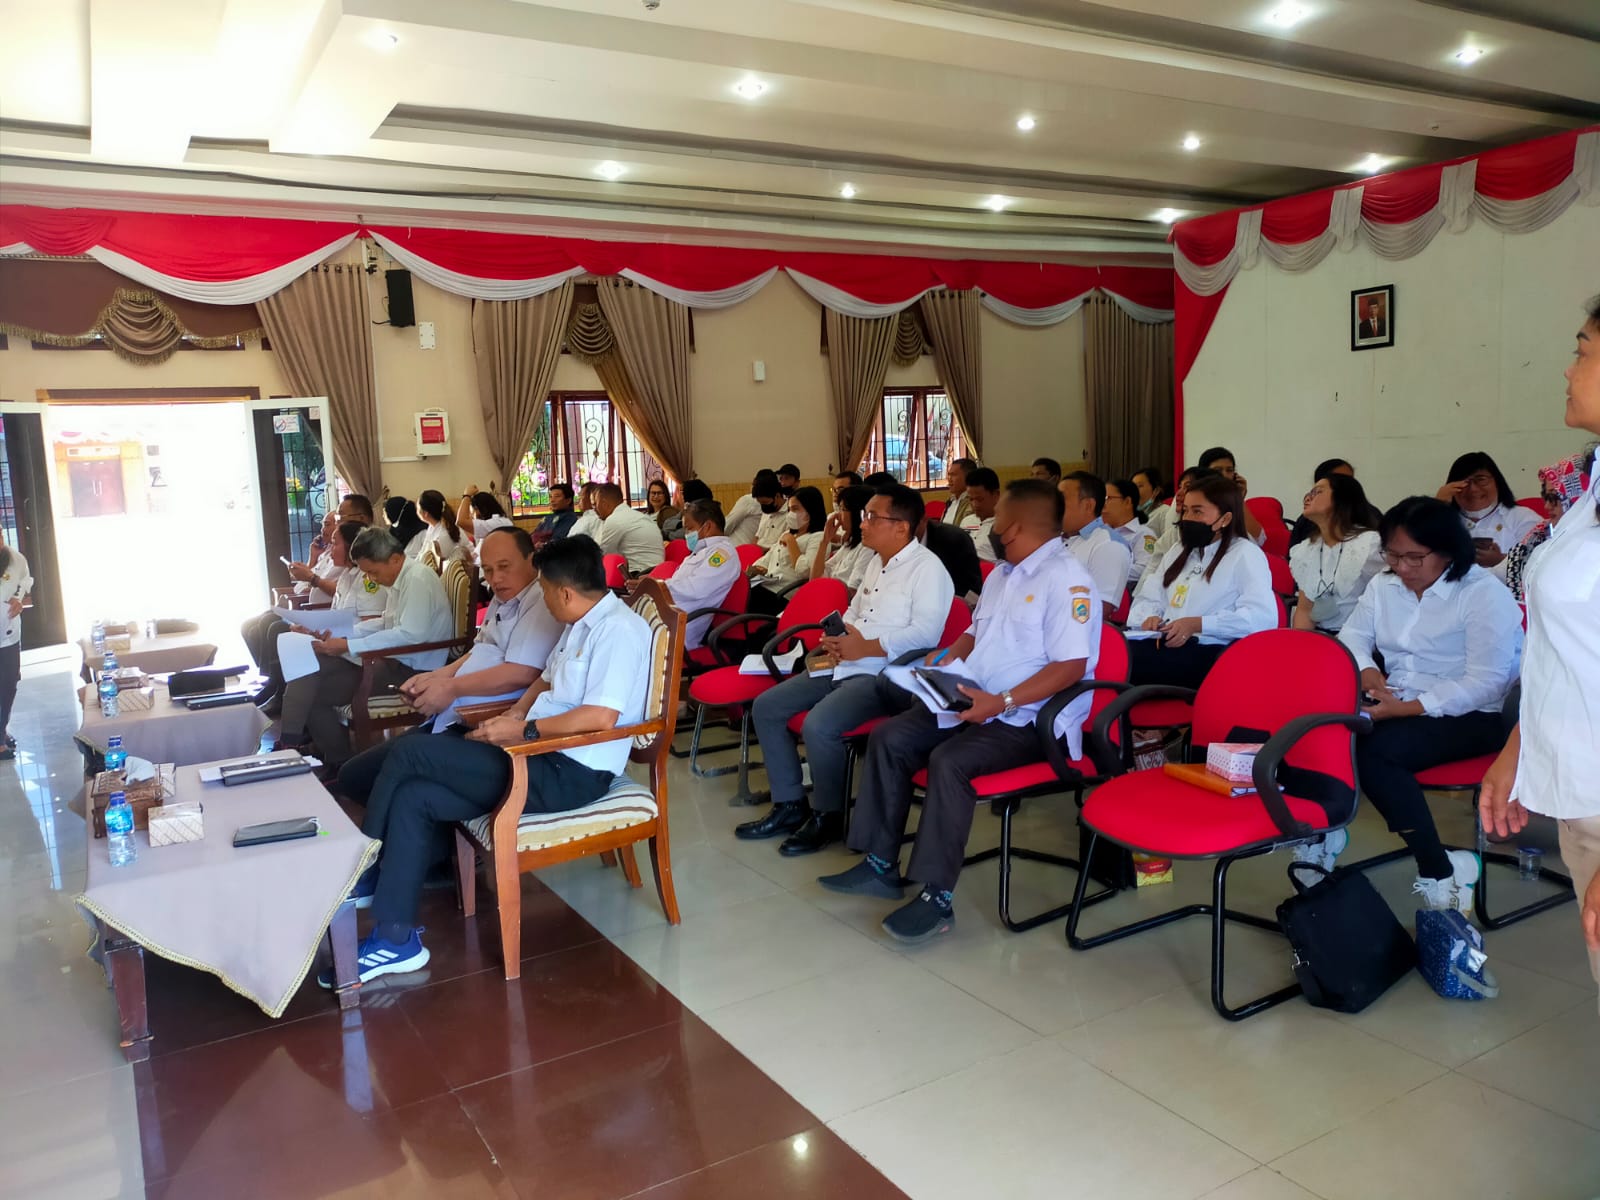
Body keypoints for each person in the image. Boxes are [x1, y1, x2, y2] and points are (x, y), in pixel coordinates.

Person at [324, 536, 652, 984]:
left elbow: (600, 715)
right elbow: (544, 682)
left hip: (569, 772)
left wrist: (523, 730)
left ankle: (361, 869)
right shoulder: (581, 622)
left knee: (411, 751)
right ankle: (396, 937)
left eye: (545, 590)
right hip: (530, 753)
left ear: (564, 592)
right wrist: (515, 714)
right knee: (417, 795)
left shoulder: (620, 632)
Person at [818, 480, 1101, 942]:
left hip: (1027, 718)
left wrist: (1003, 701)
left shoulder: (1068, 581)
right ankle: (879, 864)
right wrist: (947, 656)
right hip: (973, 699)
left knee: (949, 763)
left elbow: (1072, 667)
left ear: (1019, 525)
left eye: (1000, 522)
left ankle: (937, 897)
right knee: (890, 736)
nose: (990, 530)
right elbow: (974, 631)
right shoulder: (1004, 574)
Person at [1481, 299, 1600, 1008]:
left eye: (1583, 350)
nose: (1567, 366)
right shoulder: (1593, 489)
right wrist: (1519, 747)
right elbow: (1574, 652)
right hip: (1583, 790)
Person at [738, 485, 954, 855]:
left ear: (902, 527)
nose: (861, 523)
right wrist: (839, 636)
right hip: (846, 660)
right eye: (864, 515)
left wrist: (865, 646)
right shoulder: (876, 561)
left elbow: (926, 634)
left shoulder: (928, 570)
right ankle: (790, 804)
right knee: (767, 707)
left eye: (872, 516)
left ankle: (829, 815)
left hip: (885, 674)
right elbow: (856, 610)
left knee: (819, 725)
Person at [1334, 496, 1523, 909]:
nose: (1402, 568)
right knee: (1322, 728)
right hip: (1399, 696)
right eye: (1393, 555)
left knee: (1376, 752)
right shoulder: (1384, 585)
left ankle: (1439, 868)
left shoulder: (1481, 593)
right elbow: (1352, 637)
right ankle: (1325, 833)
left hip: (1475, 712)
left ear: (1448, 552)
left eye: (1415, 558)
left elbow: (1488, 682)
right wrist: (1366, 670)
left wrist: (1407, 708)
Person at [336, 525, 563, 810]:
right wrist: (436, 677)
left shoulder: (541, 602)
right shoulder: (503, 597)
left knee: (394, 779)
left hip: (480, 720)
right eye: (489, 570)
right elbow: (479, 649)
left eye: (504, 567)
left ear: (532, 559)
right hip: (451, 715)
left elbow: (523, 673)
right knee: (354, 777)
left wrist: (451, 687)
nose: (496, 579)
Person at [280, 526, 454, 770]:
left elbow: (410, 634)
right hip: (389, 661)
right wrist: (343, 635)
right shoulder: (401, 576)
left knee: (314, 678)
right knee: (312, 675)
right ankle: (331, 758)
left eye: (373, 572)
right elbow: (386, 621)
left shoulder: (416, 579)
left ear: (395, 558)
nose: (372, 579)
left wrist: (348, 645)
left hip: (410, 671)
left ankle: (294, 748)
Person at [1126, 475, 1276, 687]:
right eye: (1185, 510)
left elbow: (1262, 618)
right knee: (1110, 652)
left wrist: (1198, 624)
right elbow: (1147, 597)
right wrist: (1149, 617)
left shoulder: (1245, 553)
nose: (1187, 518)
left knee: (1121, 666)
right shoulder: (1178, 550)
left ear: (1224, 519)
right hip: (1165, 644)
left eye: (1197, 511)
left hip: (1213, 652)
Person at [248, 519, 381, 714]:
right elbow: (338, 615)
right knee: (290, 643)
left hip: (353, 653)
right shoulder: (345, 575)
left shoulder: (369, 579)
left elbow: (371, 624)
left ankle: (290, 720)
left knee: (301, 665)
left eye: (336, 543)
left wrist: (324, 632)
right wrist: (311, 628)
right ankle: (283, 699)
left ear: (352, 546)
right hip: (334, 638)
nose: (330, 546)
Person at [1288, 473, 1383, 633]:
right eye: (1309, 493)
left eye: (1317, 492)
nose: (1308, 498)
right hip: (1320, 639)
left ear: (1342, 498)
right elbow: (1304, 611)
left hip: (1360, 638)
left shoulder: (1369, 544)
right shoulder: (1306, 550)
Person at [642, 499, 740, 651]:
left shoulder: (723, 554)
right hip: (666, 615)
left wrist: (658, 585)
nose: (687, 534)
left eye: (689, 529)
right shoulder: (698, 553)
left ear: (707, 526)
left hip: (681, 625)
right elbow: (678, 584)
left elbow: (696, 588)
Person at [1436, 451, 1542, 576]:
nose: (1473, 489)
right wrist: (1437, 507)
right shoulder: (1441, 521)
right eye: (1465, 482)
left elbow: (1540, 567)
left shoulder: (1523, 518)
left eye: (1481, 480)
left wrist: (1502, 560)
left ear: (1497, 482)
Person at [1504, 453, 1590, 601]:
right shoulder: (1539, 535)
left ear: (1578, 496)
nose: (1546, 506)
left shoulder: (1592, 544)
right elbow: (1499, 571)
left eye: (1554, 497)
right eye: (1545, 496)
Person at [1060, 470, 1132, 616]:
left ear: (1088, 505)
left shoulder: (1110, 545)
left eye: (1061, 500)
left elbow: (1097, 611)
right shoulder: (1055, 539)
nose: (1054, 506)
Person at [747, 486, 827, 614]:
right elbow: (768, 558)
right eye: (789, 509)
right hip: (766, 586)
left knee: (743, 600)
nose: (790, 514)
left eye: (795, 509)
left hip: (784, 594)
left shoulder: (818, 538)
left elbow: (805, 571)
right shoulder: (787, 533)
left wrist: (791, 543)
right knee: (737, 590)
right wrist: (756, 569)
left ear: (810, 511)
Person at [1138, 467, 1221, 581]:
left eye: (1187, 487)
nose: (1179, 493)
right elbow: (1149, 579)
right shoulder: (1173, 536)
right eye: (1180, 487)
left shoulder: (1237, 547)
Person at [1288, 459, 1383, 548]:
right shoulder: (1305, 526)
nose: (1348, 485)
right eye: (1314, 491)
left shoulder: (1371, 541)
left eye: (1350, 480)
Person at [810, 484, 876, 593]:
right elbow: (814, 579)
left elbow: (852, 591)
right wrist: (825, 541)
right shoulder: (850, 542)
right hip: (824, 595)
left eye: (843, 509)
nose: (838, 514)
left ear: (858, 513)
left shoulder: (867, 547)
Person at [0, 532, 31, 762]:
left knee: (9, 684)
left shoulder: (15, 558)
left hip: (8, 633)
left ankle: (1, 729)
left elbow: (24, 581)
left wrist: (18, 599)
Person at [1197, 446, 1265, 542]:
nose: (1225, 475)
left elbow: (1258, 539)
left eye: (1229, 470)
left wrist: (1238, 499)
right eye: (1217, 470)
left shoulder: (1231, 501)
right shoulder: (1190, 499)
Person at [593, 483, 665, 574]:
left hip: (639, 575)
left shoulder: (615, 519)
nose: (595, 509)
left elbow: (601, 555)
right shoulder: (639, 516)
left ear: (604, 503)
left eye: (595, 504)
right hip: (660, 573)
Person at [1104, 477, 1154, 587]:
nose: (1103, 504)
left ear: (1127, 502)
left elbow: (1145, 569)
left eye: (1107, 498)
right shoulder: (1099, 532)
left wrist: (1106, 570)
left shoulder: (1143, 534)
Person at [725, 469, 784, 547]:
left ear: (777, 496)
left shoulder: (788, 513)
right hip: (748, 550)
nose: (762, 506)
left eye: (765, 503)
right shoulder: (766, 512)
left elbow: (729, 524)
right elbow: (757, 536)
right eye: (760, 503)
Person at [961, 467, 1002, 564]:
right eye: (971, 499)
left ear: (996, 495)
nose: (975, 505)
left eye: (980, 499)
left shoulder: (1004, 525)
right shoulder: (966, 521)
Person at [416, 489, 465, 568]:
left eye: (418, 509)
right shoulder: (432, 526)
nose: (416, 511)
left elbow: (434, 566)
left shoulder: (442, 536)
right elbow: (422, 553)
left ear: (425, 513)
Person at [942, 457, 978, 528]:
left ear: (968, 477)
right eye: (949, 475)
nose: (949, 479)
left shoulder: (973, 503)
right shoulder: (950, 501)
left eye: (953, 475)